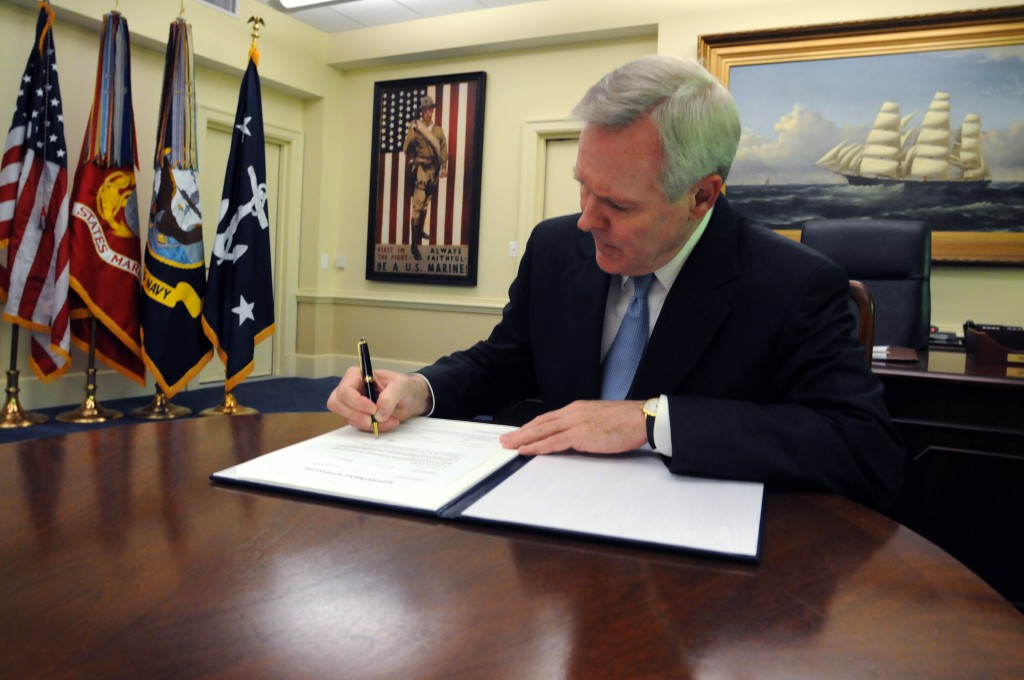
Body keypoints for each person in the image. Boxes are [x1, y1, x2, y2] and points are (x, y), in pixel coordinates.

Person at [329, 55, 904, 509]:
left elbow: (864, 449)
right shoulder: (557, 248)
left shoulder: (795, 284)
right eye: (583, 186)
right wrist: (420, 389)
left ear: (701, 196)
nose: (586, 219)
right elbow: (505, 361)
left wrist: (653, 421)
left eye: (618, 204)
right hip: (548, 526)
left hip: (698, 576)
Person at [402, 95, 448, 260]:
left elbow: (443, 149)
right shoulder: (416, 127)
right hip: (421, 169)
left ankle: (420, 231)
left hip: (433, 171)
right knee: (417, 206)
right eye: (425, 109)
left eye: (430, 109)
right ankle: (414, 246)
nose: (428, 112)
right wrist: (412, 135)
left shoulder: (438, 131)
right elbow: (406, 149)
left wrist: (443, 167)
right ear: (421, 111)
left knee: (426, 202)